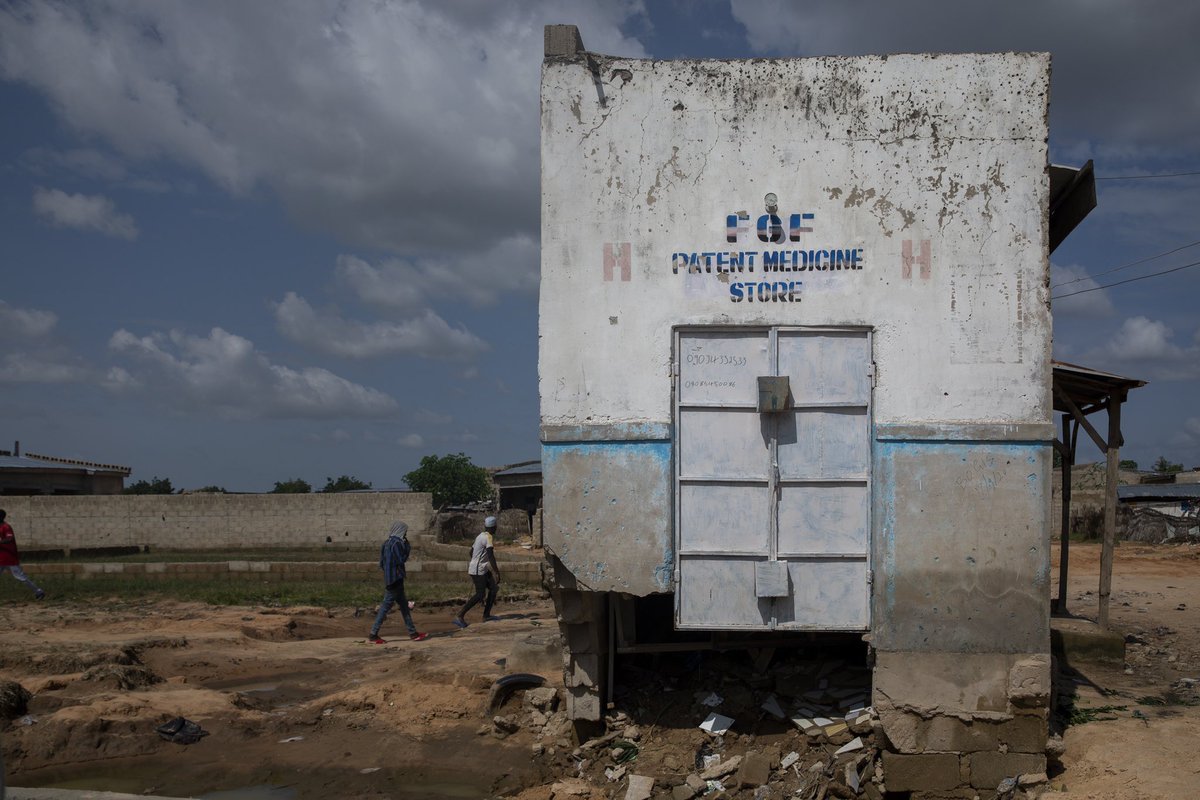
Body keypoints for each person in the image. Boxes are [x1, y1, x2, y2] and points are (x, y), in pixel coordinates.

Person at [367, 521, 426, 644]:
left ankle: (413, 633)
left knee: (404, 606)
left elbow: (381, 563)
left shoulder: (386, 543)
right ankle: (373, 634)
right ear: (401, 531)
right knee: (385, 607)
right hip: (396, 580)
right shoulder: (398, 543)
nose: (405, 534)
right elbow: (401, 559)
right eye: (405, 531)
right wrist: (408, 547)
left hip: (390, 579)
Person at [452, 515, 501, 628]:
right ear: (494, 527)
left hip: (480, 568)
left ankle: (486, 615)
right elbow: (491, 555)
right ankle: (460, 615)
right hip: (478, 570)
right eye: (495, 527)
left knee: (493, 589)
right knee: (480, 594)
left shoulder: (480, 536)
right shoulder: (488, 537)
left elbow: (471, 552)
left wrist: (476, 561)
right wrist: (497, 572)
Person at [0, 509, 45, 600]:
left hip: (9, 558)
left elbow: (10, 539)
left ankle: (39, 592)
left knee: (20, 577)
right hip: (1, 557)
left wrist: (1, 542)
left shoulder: (6, 527)